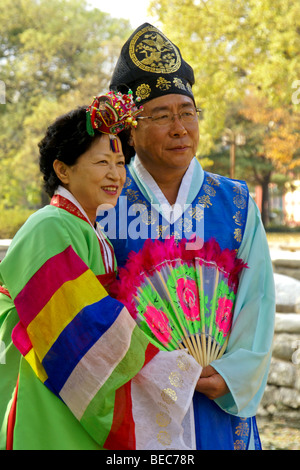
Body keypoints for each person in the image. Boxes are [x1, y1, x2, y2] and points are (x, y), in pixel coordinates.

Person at [97, 23, 276, 450]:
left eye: (187, 112)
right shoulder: (103, 204)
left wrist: (233, 373)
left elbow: (258, 299)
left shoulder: (234, 203)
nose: (180, 128)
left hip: (216, 400)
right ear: (130, 130)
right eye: (161, 116)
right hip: (134, 400)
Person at [0, 91, 202, 450]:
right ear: (63, 169)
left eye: (120, 163)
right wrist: (164, 368)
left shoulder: (90, 230)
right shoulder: (48, 226)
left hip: (68, 378)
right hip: (45, 376)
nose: (115, 175)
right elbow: (80, 326)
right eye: (101, 163)